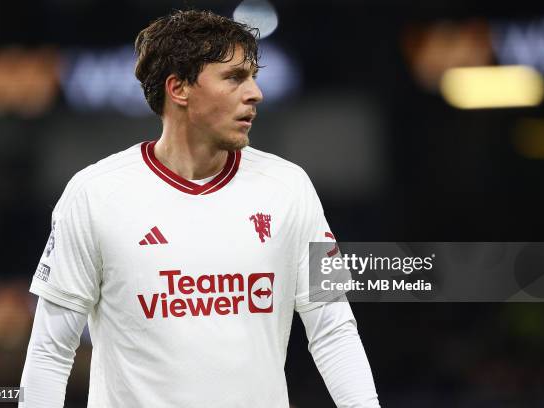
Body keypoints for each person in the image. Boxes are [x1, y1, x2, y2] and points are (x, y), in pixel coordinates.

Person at [19, 9, 380, 408]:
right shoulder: (94, 194)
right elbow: (50, 352)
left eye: (253, 77)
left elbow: (333, 329)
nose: (255, 92)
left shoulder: (291, 187)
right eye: (234, 77)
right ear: (179, 90)